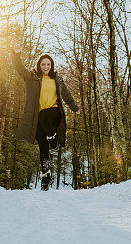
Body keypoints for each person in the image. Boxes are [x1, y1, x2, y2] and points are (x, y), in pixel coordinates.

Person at [11, 43, 80, 190]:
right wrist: (16, 54)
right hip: (38, 121)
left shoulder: (58, 80)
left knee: (45, 113)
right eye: (43, 64)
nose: (46, 67)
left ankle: (53, 141)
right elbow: (19, 69)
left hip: (54, 114)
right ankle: (45, 177)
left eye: (48, 64)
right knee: (43, 149)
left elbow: (67, 96)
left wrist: (75, 108)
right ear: (39, 65)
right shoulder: (32, 78)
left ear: (52, 65)